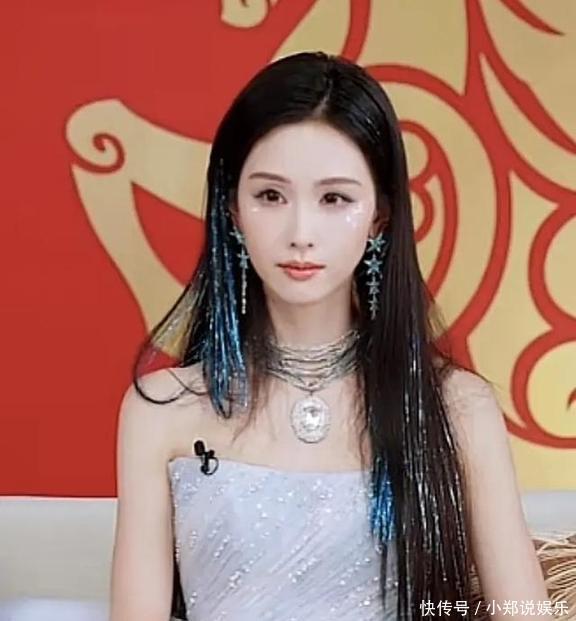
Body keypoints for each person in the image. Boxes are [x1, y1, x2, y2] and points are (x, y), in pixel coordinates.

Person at [2, 51, 551, 621]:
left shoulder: (456, 407)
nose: (300, 232)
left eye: (334, 199)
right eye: (270, 196)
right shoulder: (162, 410)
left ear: (379, 217)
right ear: (233, 211)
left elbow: (523, 613)